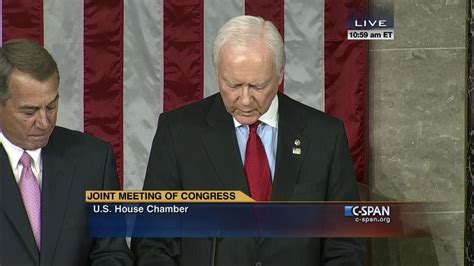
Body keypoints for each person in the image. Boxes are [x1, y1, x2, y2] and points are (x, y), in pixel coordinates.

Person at [132, 15, 364, 266]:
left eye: (257, 86)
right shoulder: (178, 133)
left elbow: (345, 245)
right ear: (218, 74)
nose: (244, 100)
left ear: (279, 75)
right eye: (233, 85)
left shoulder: (325, 136)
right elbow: (152, 242)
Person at [0, 39, 134, 265]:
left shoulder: (93, 159)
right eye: (29, 111)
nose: (44, 122)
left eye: (51, 107)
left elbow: (112, 253)